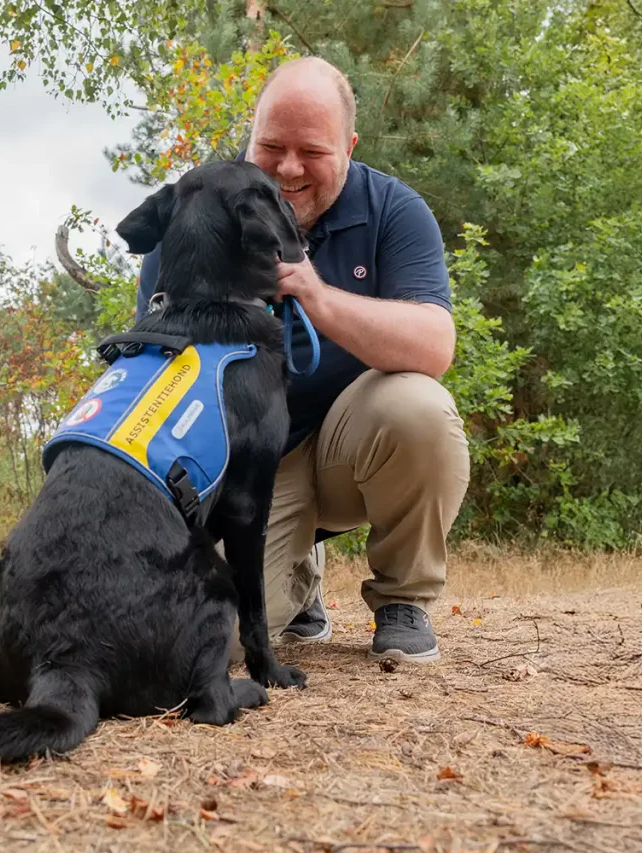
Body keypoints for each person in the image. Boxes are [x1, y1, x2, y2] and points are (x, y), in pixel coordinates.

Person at [132, 56, 470, 664]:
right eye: (271, 146)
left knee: (420, 407)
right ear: (250, 134)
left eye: (312, 151)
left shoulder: (394, 209)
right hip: (244, 467)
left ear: (349, 145)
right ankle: (299, 581)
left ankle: (403, 598)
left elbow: (433, 344)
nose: (288, 168)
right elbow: (165, 369)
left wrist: (314, 293)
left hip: (351, 444)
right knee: (218, 649)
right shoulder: (198, 211)